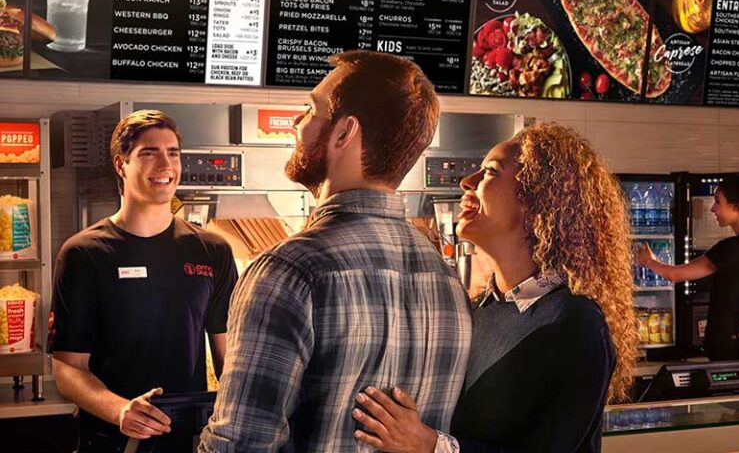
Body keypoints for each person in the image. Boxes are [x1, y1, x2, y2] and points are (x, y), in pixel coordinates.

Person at [199, 51, 472, 452]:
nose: (296, 122)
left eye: (311, 109)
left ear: (345, 133)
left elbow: (240, 444)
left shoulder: (288, 270)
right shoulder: (447, 279)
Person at [352, 122, 637, 452]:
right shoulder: (478, 310)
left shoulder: (576, 322)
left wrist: (429, 445)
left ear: (536, 199)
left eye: (489, 172)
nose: (466, 182)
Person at [47, 110, 238, 452]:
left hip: (187, 440)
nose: (165, 165)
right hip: (110, 440)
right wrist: (121, 409)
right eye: (149, 153)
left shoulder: (212, 250)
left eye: (173, 153)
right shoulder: (84, 253)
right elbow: (68, 368)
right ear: (121, 165)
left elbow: (229, 357)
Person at [638, 174, 739, 360]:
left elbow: (676, 275)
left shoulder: (731, 248)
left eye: (717, 202)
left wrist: (649, 261)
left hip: (729, 351)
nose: (713, 209)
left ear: (737, 205)